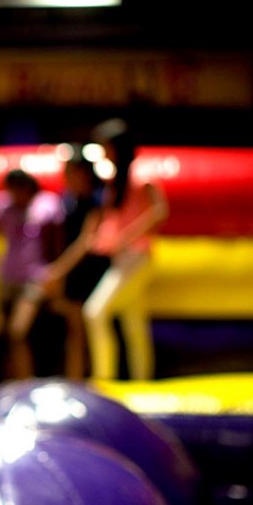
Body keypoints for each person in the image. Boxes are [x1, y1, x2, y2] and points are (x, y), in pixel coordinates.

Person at [57, 118, 168, 380]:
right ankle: (141, 381)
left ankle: (103, 379)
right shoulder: (115, 179)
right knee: (133, 322)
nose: (103, 152)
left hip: (137, 256)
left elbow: (160, 211)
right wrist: (104, 242)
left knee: (95, 311)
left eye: (106, 146)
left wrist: (128, 237)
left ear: (118, 147)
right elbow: (110, 220)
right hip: (122, 258)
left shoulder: (141, 173)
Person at [0, 168, 66, 380]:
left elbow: (56, 242)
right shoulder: (3, 205)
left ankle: (26, 382)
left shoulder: (46, 205)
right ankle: (13, 379)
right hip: (8, 276)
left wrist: (56, 272)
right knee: (5, 333)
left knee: (19, 330)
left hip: (35, 277)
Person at [41, 154, 109, 379]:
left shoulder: (97, 200)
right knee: (75, 330)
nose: (66, 178)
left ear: (82, 173)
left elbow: (86, 241)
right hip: (74, 271)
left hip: (90, 269)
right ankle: (77, 379)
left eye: (69, 173)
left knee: (86, 328)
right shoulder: (69, 201)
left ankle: (92, 379)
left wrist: (58, 271)